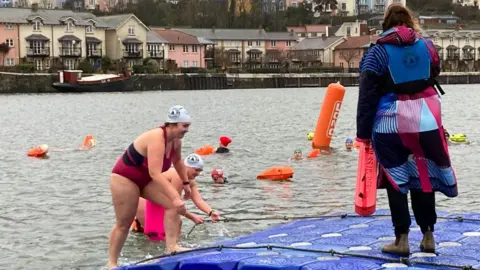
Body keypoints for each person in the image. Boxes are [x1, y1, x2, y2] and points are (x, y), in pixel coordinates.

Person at [356, 4, 457, 257]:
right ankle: (429, 235)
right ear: (411, 22)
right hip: (427, 119)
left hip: (391, 122)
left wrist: (363, 134)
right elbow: (435, 71)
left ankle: (401, 240)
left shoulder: (377, 52)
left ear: (385, 24)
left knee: (395, 178)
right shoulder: (429, 46)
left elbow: (367, 95)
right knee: (423, 174)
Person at [107, 105, 193, 269]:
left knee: (171, 206)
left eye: (188, 126)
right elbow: (155, 173)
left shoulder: (176, 141)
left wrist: (186, 184)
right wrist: (176, 197)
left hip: (145, 179)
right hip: (125, 179)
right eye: (185, 126)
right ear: (173, 124)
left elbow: (178, 162)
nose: (187, 130)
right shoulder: (157, 137)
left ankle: (172, 247)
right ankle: (111, 263)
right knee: (123, 223)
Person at [133, 154, 221, 241]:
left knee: (175, 226)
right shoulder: (178, 176)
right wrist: (192, 217)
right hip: (147, 200)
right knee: (158, 236)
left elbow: (198, 201)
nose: (198, 173)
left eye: (200, 170)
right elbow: (175, 204)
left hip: (161, 202)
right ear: (187, 167)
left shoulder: (191, 181)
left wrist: (210, 212)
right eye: (196, 170)